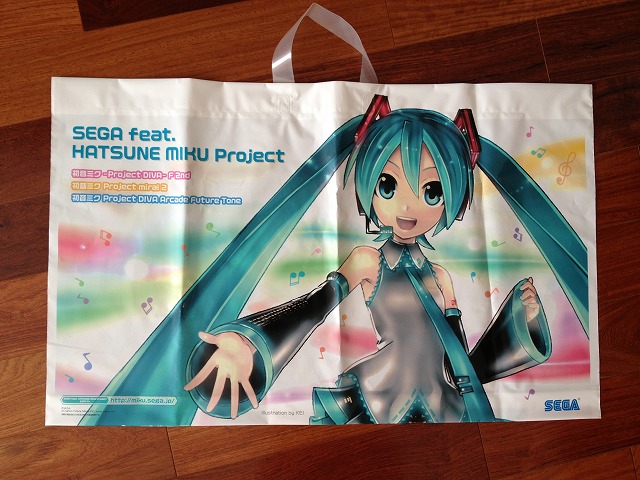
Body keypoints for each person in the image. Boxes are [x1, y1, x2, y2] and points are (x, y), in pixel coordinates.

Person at [80, 96, 588, 425]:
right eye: (389, 184)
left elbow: (457, 362)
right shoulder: (367, 261)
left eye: (431, 191)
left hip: (444, 406)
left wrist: (508, 337)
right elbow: (310, 309)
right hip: (373, 398)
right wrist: (252, 343)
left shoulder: (441, 275)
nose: (408, 207)